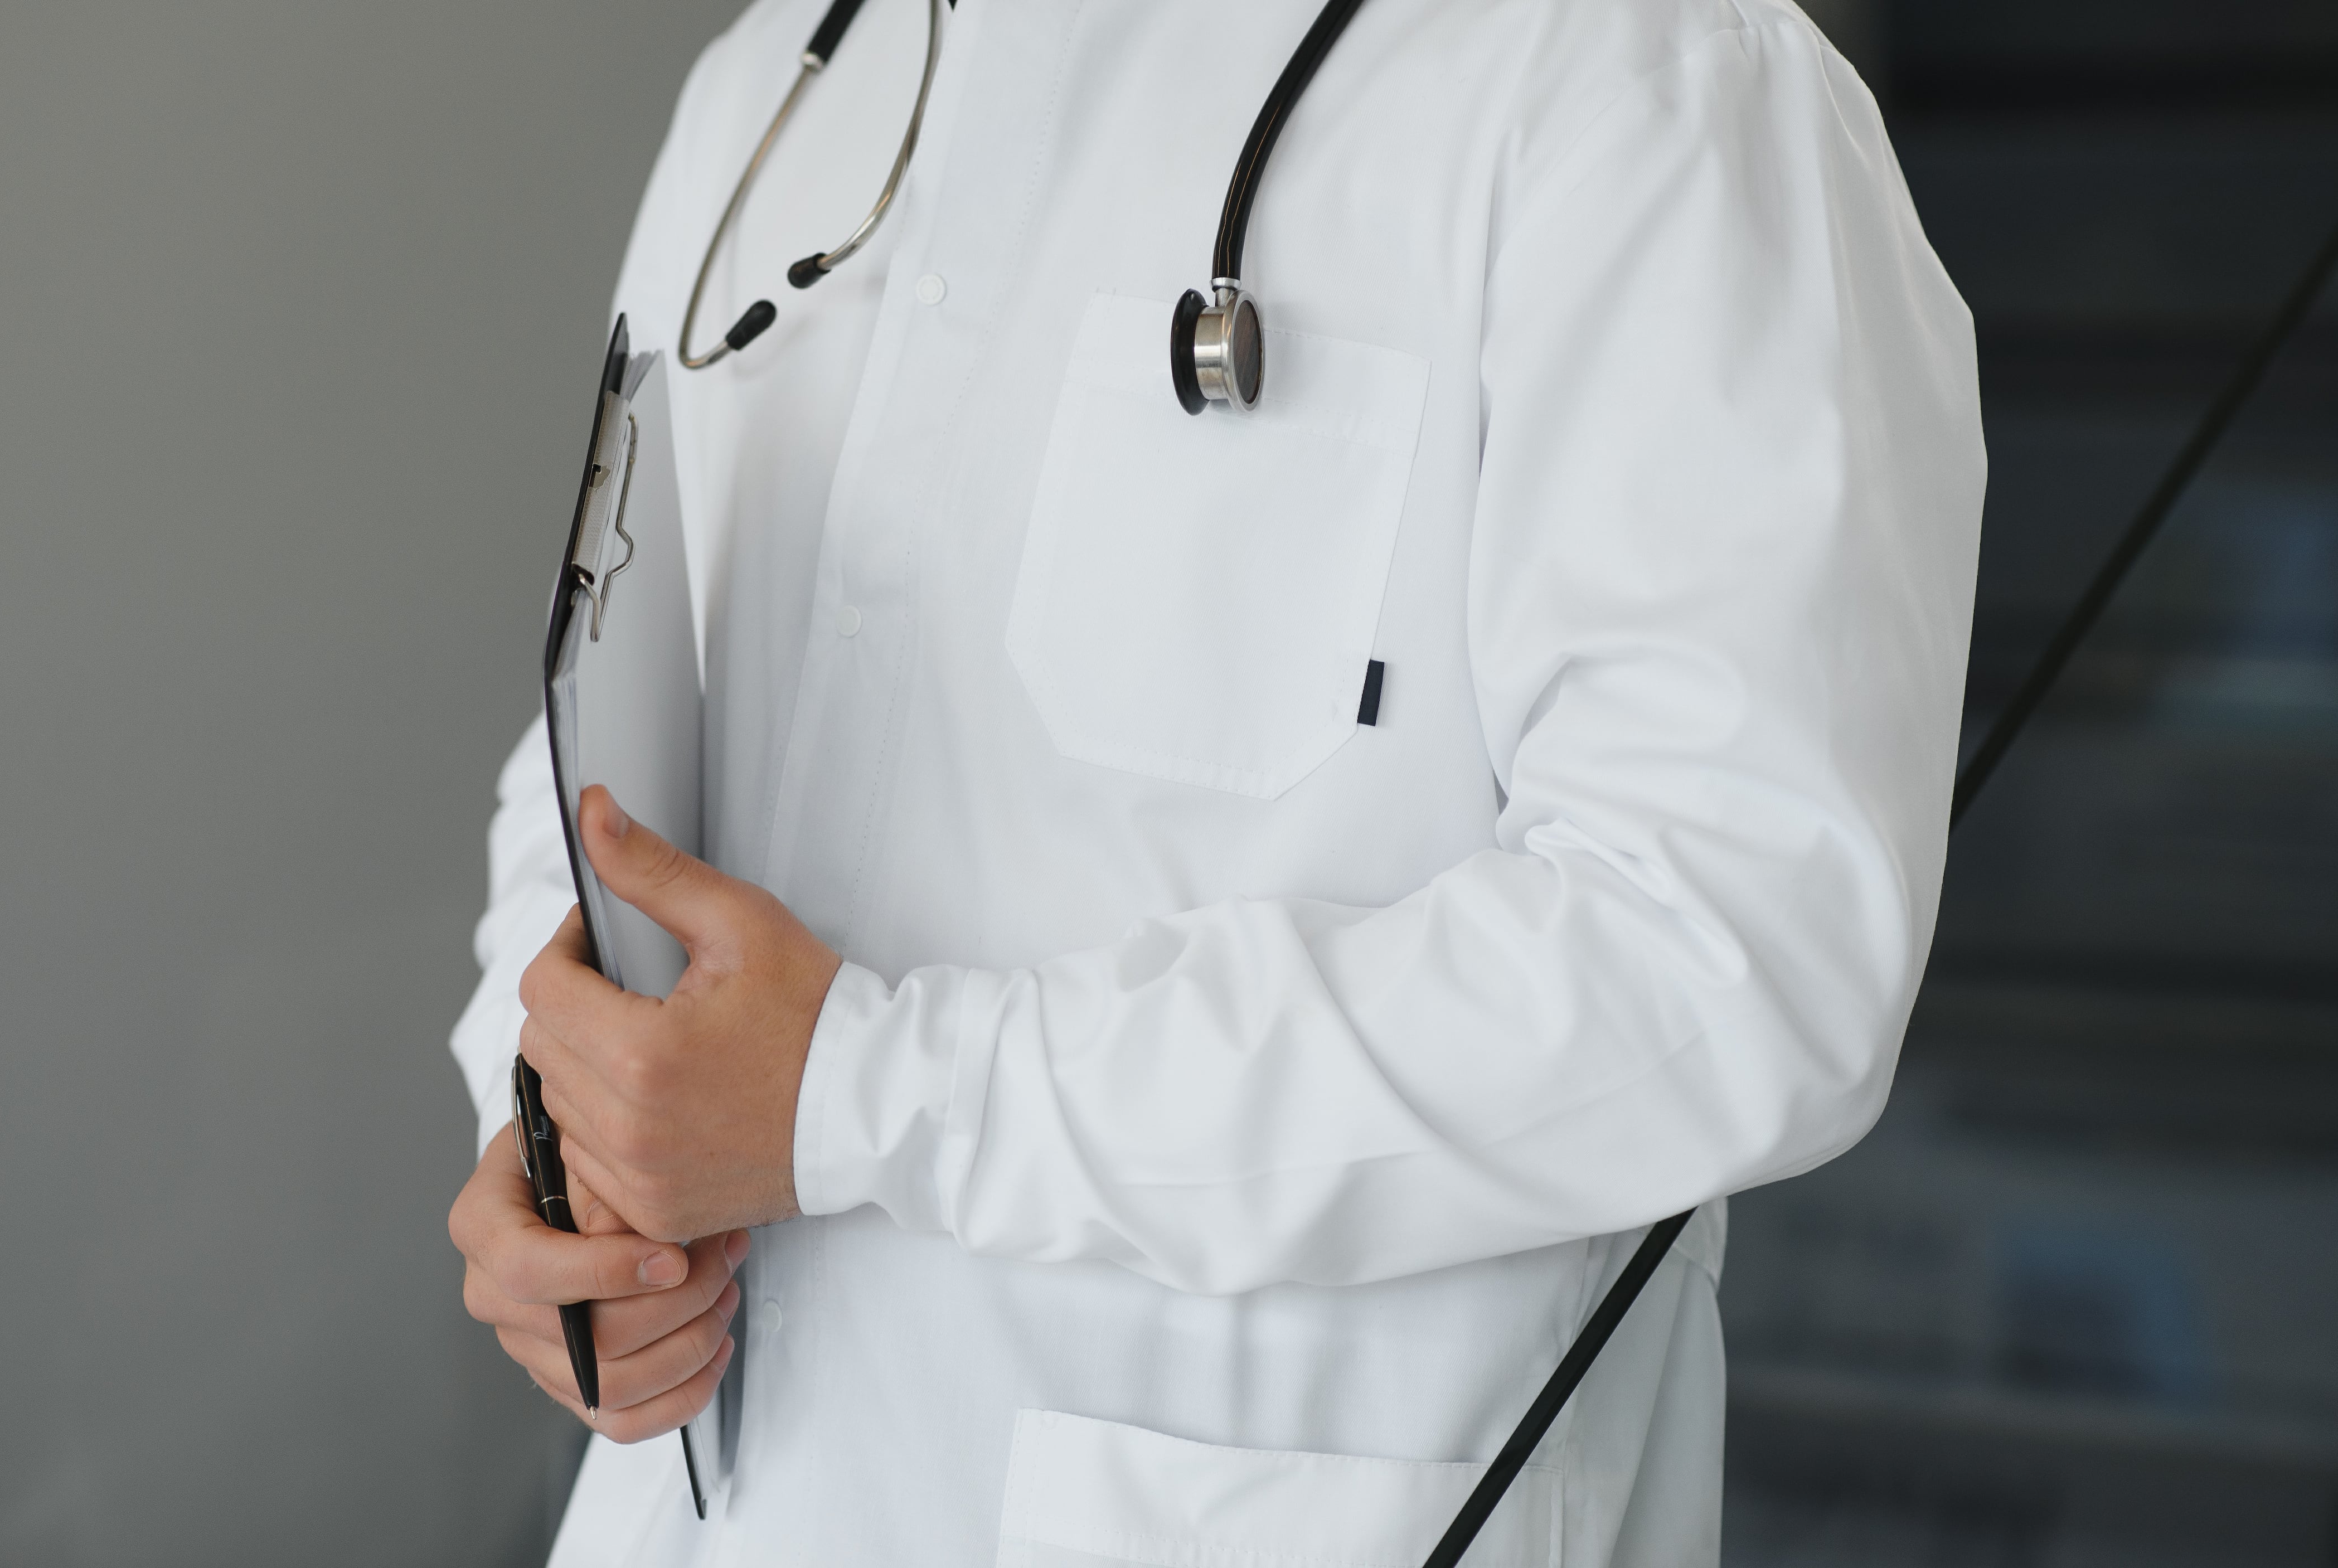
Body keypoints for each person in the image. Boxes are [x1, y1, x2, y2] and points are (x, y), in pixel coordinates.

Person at [447, 0, 1983, 1561]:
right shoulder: (774, 83)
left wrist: (875, 1096)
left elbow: (1735, 944)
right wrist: (564, 1139)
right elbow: (597, 760)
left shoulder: (1645, 74)